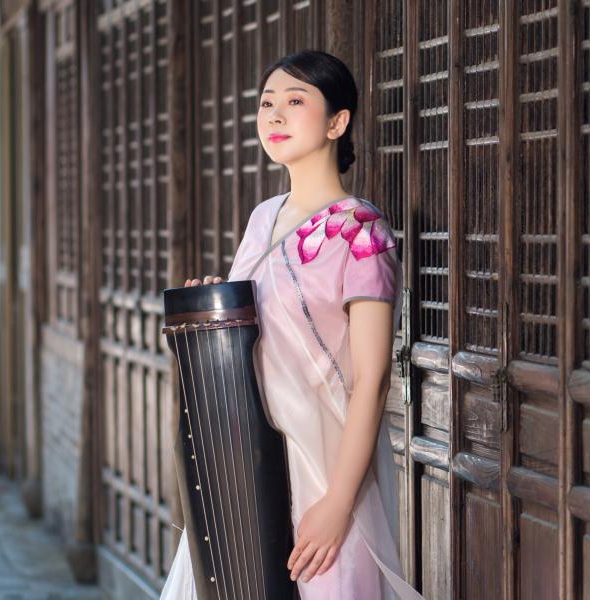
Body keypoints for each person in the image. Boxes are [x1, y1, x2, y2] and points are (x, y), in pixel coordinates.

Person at [160, 49, 424, 600]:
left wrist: (337, 503)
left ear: (337, 122)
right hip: (249, 470)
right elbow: (258, 343)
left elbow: (370, 381)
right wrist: (211, 313)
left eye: (295, 101)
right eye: (266, 103)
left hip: (325, 474)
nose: (274, 116)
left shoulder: (362, 230)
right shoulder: (264, 218)